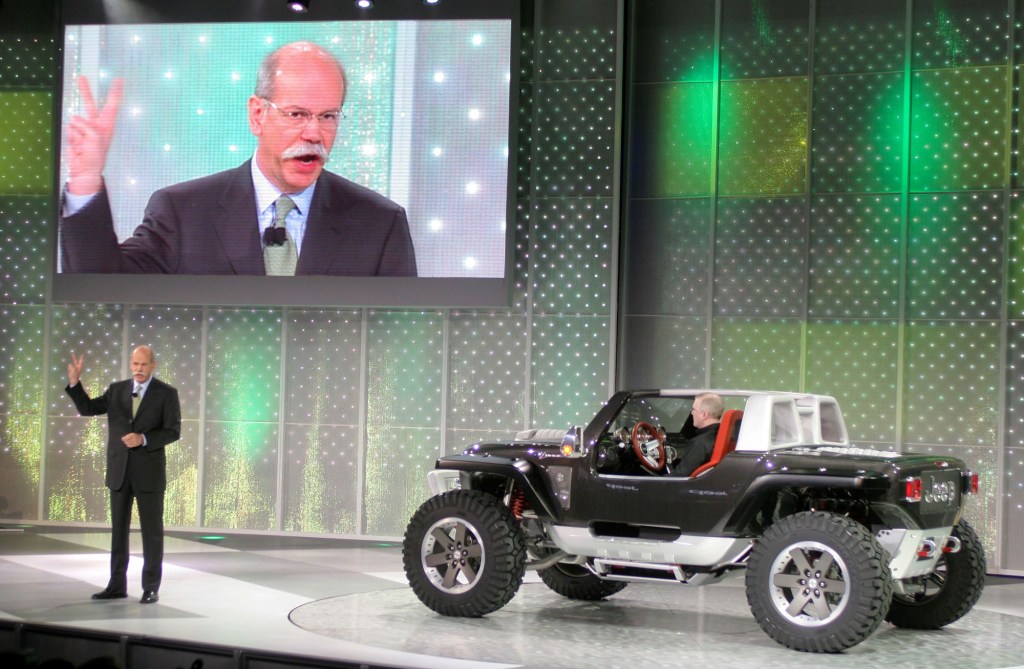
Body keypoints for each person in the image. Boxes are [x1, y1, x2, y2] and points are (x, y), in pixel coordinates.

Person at [60, 41, 417, 276]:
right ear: (257, 114)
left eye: (328, 116)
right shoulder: (183, 212)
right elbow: (105, 294)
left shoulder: (380, 224)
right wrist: (86, 179)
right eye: (296, 114)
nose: (314, 134)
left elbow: (402, 342)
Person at [65, 346, 181, 604]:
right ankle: (116, 585)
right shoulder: (117, 389)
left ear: (153, 365)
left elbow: (173, 431)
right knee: (119, 531)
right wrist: (75, 383)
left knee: (152, 532)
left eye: (143, 364)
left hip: (148, 473)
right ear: (131, 365)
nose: (138, 369)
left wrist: (144, 438)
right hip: (119, 471)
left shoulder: (166, 393)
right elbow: (88, 408)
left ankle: (150, 587)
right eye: (135, 364)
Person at [670, 392, 723, 476]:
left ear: (704, 414)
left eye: (693, 409)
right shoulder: (719, 435)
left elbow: (678, 477)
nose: (692, 413)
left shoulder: (701, 443)